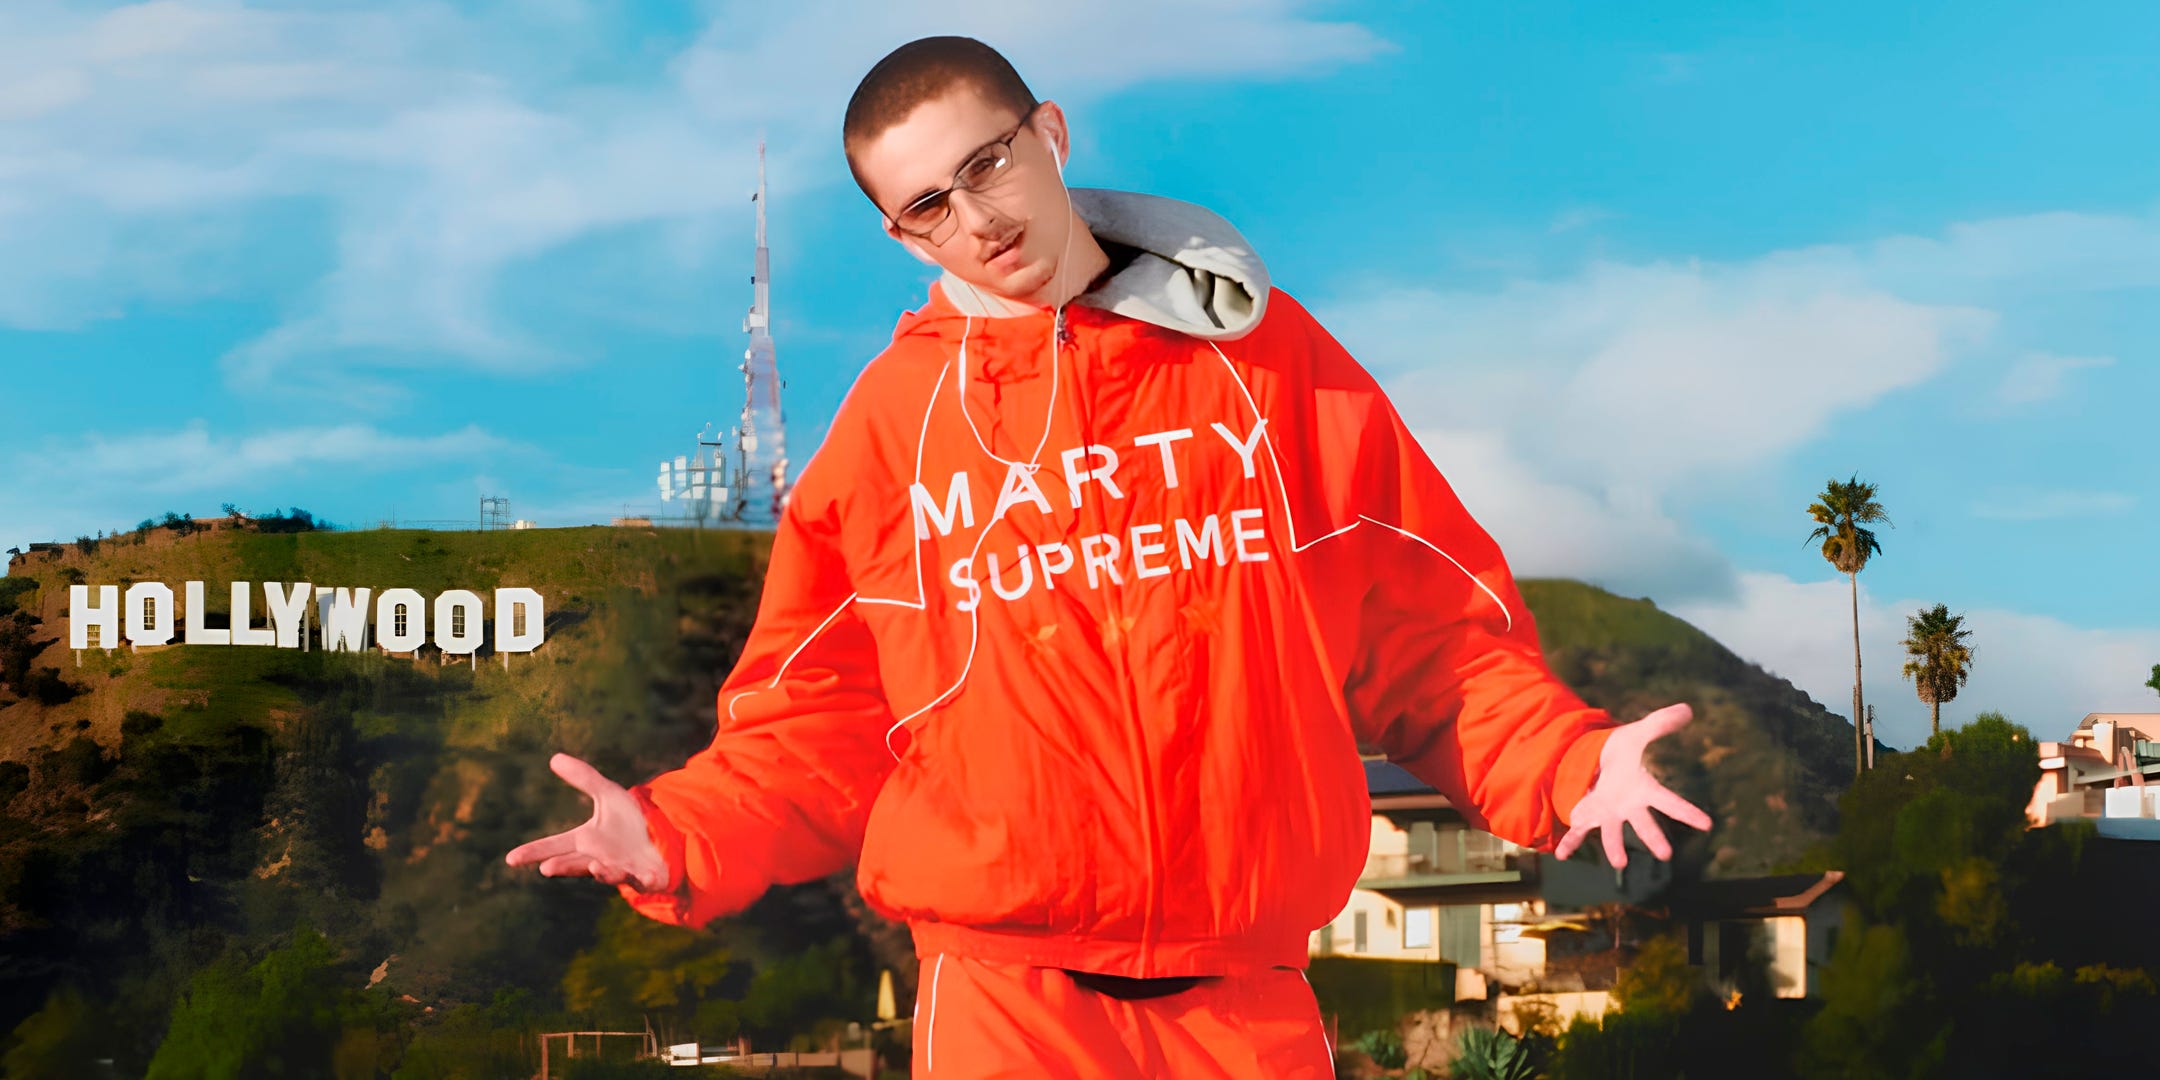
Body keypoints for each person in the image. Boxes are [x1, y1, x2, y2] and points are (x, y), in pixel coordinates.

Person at [506, 35, 1712, 1078]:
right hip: (1005, 1006)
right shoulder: (890, 431)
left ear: (1051, 134)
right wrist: (678, 833)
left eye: (988, 163)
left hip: (1247, 998)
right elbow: (821, 715)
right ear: (900, 234)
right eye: (929, 207)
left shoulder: (1267, 364)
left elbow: (1424, 635)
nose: (978, 221)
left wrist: (1565, 762)